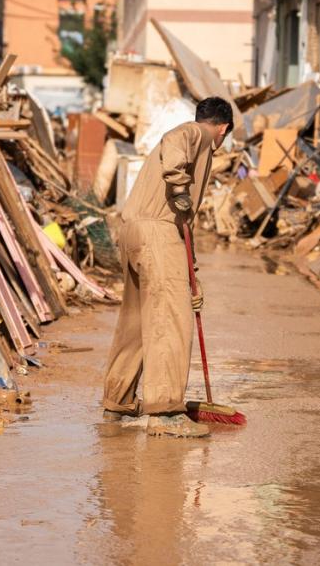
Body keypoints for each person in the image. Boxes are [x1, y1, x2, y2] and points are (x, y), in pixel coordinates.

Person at [101, 96, 233, 438]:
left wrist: (191, 275)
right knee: (170, 320)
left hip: (133, 232)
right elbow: (175, 139)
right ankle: (165, 412)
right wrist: (178, 185)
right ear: (223, 128)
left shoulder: (195, 143)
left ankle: (118, 402)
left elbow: (184, 226)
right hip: (158, 234)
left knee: (135, 323)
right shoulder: (198, 134)